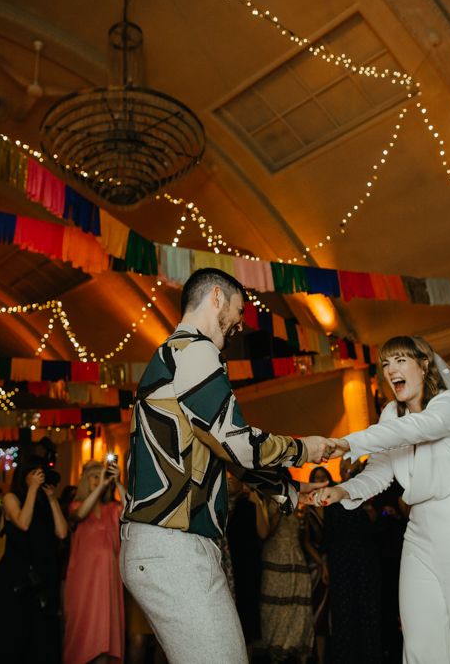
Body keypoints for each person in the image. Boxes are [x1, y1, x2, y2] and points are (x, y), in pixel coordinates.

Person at [119, 268, 333, 664]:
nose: (239, 324)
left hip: (163, 546)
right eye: (238, 310)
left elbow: (222, 453)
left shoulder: (173, 354)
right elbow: (238, 444)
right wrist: (305, 449)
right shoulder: (195, 350)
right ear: (216, 297)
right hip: (174, 546)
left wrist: (289, 490)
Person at [315, 335, 450, 663]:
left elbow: (415, 430)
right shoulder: (391, 412)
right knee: (421, 638)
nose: (392, 370)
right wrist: (343, 491)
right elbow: (381, 468)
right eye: (387, 364)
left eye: (401, 360)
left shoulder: (447, 404)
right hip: (419, 533)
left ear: (423, 364)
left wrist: (346, 443)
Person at [0, 456, 68, 663]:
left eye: (41, 473)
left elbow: (62, 532)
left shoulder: (45, 500)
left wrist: (52, 499)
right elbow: (23, 523)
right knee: (16, 632)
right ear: (24, 475)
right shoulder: (11, 498)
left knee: (41, 634)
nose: (38, 478)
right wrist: (32, 490)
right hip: (18, 574)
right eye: (34, 473)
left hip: (44, 571)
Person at [64, 460, 125, 664]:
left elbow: (130, 509)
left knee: (105, 633)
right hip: (84, 581)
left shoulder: (112, 508)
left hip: (108, 582)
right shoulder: (76, 505)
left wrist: (117, 483)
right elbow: (80, 515)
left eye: (102, 476)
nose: (100, 480)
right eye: (94, 477)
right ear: (85, 481)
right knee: (83, 630)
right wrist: (101, 487)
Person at [322, 458, 383, 664]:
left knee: (368, 610)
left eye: (350, 468)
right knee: (344, 612)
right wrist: (326, 563)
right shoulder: (333, 494)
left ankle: (371, 656)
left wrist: (370, 510)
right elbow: (327, 535)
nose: (347, 471)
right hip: (340, 561)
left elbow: (377, 525)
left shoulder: (366, 492)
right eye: (344, 468)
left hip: (365, 560)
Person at [259, 495, 315, 663]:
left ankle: (298, 647)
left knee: (298, 605)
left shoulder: (296, 500)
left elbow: (302, 533)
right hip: (275, 554)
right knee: (275, 606)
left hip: (295, 555)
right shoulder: (264, 500)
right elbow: (266, 532)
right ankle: (276, 650)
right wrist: (279, 511)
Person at [226, 472, 266, 659]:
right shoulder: (218, 504)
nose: (228, 480)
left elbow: (263, 532)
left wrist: (257, 501)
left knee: (247, 618)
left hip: (247, 566)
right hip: (227, 565)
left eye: (232, 477)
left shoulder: (250, 505)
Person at [303, 466, 332, 664]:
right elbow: (305, 540)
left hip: (336, 563)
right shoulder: (308, 510)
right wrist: (321, 564)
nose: (321, 481)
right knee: (318, 615)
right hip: (315, 566)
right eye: (316, 478)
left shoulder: (335, 507)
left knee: (334, 612)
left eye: (324, 477)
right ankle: (319, 659)